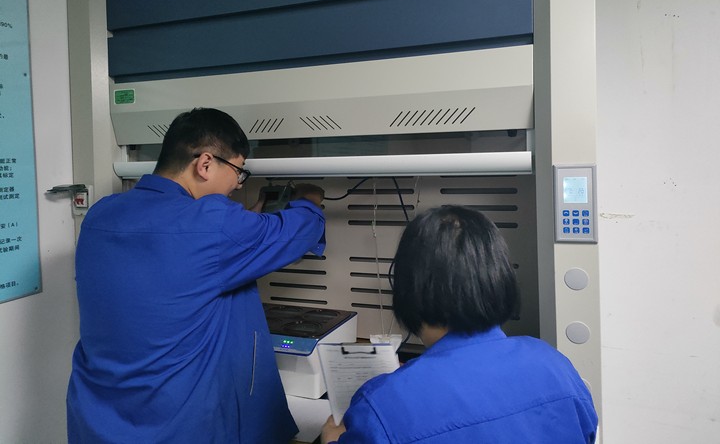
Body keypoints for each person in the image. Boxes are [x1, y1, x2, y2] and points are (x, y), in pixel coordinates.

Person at [67, 107, 326, 444]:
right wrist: (309, 199)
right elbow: (296, 231)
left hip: (97, 421)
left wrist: (242, 225)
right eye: (238, 171)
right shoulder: (212, 223)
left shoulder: (99, 215)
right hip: (179, 427)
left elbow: (177, 263)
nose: (237, 185)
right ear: (205, 164)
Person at [321, 206, 598, 444]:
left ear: (408, 287)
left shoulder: (380, 406)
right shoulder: (555, 365)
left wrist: (332, 440)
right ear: (498, 277)